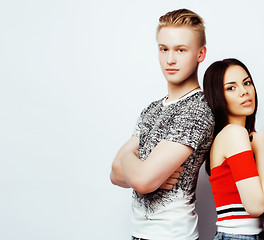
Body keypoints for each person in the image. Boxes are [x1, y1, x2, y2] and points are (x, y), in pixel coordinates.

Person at [110, 9, 214, 240]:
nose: (170, 60)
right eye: (164, 49)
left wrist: (131, 161)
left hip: (173, 236)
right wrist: (139, 171)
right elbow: (114, 174)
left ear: (200, 53)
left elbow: (142, 180)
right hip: (138, 234)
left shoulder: (197, 109)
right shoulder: (152, 109)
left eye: (181, 50)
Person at [203, 58, 264, 239]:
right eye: (231, 87)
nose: (244, 92)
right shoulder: (234, 134)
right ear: (217, 96)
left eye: (247, 83)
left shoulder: (241, 136)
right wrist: (260, 148)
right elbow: (257, 206)